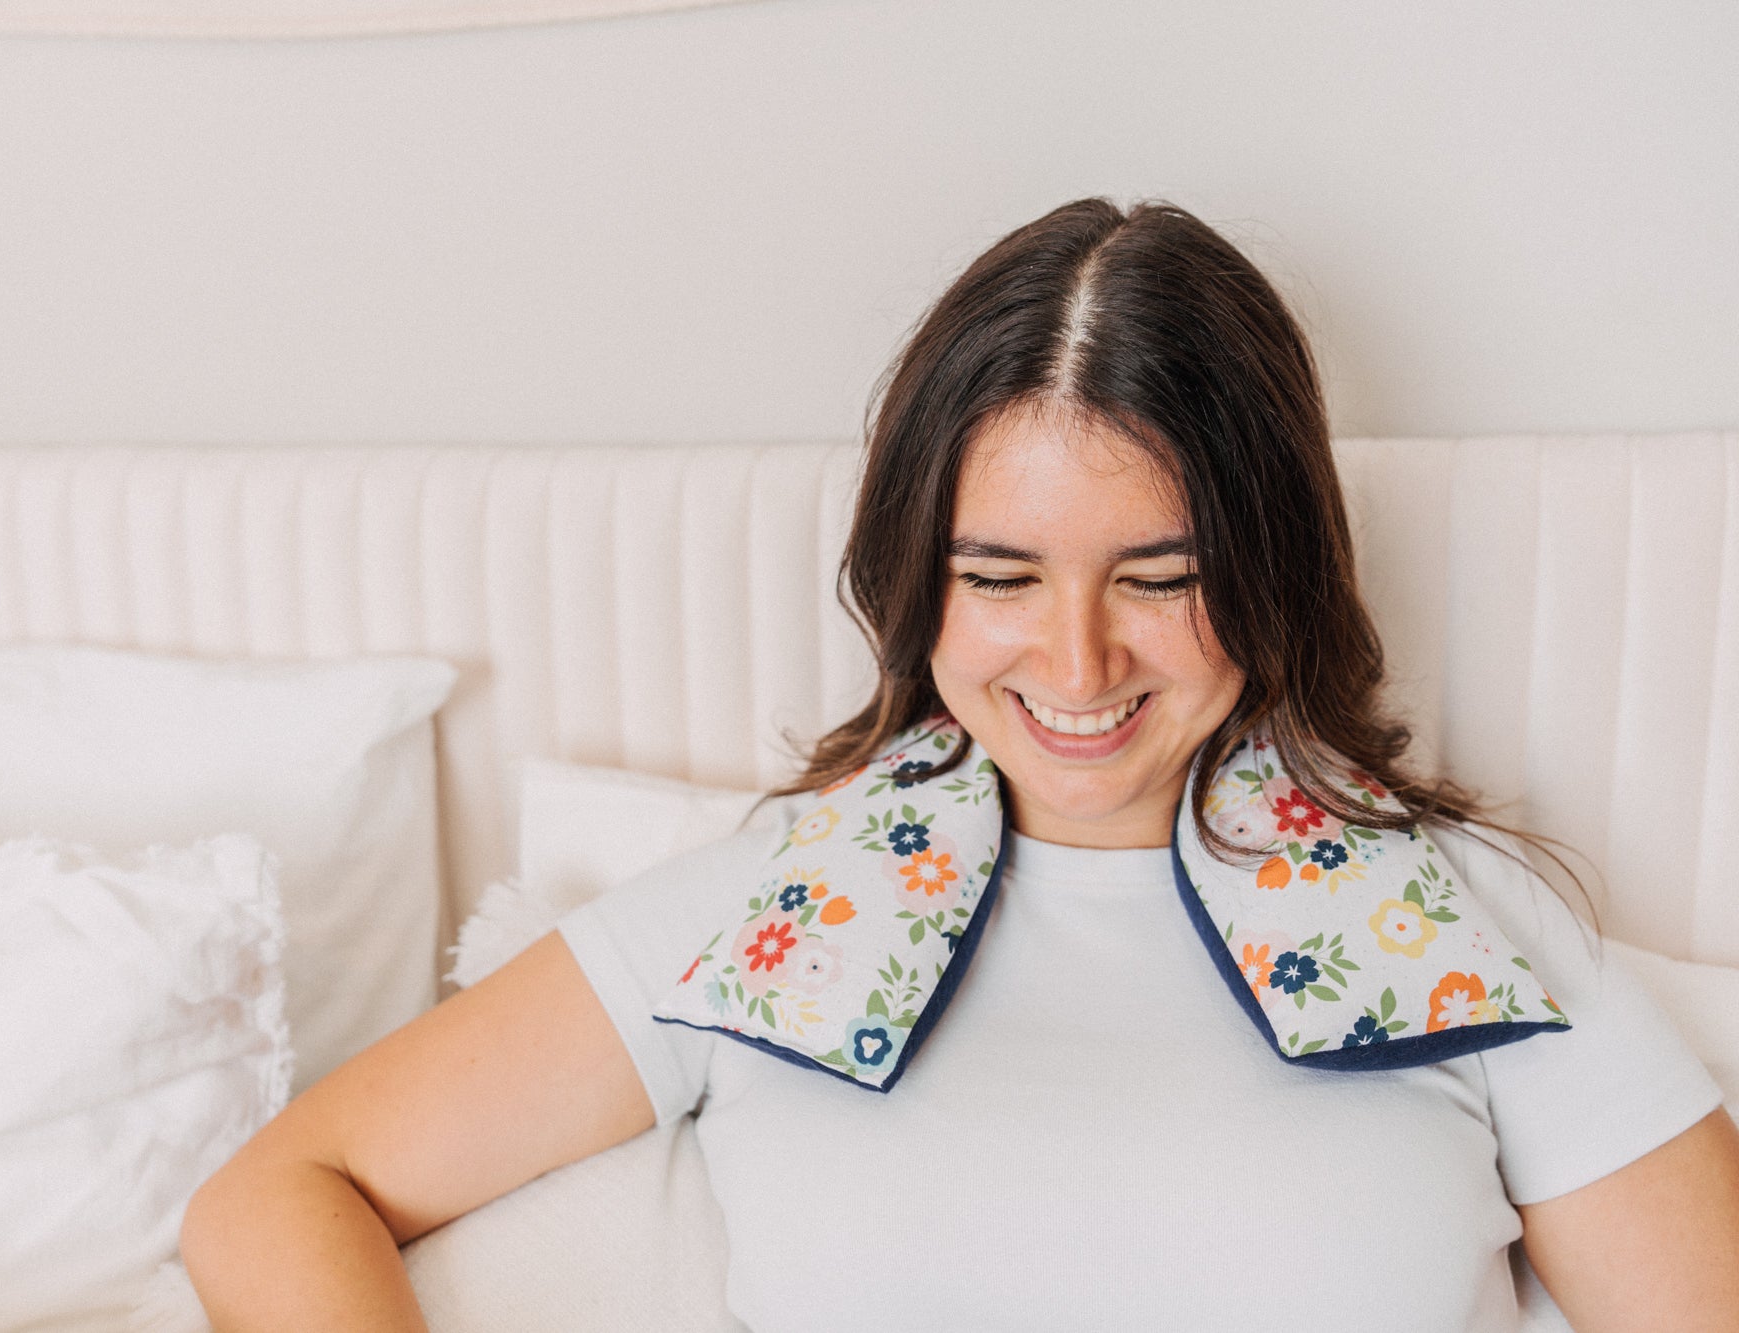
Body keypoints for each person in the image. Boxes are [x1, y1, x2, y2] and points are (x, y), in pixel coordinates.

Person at [180, 199, 1739, 1330]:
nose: (1074, 666)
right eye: (999, 577)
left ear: (1271, 568)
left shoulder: (1476, 946)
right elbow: (275, 1194)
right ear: (914, 579)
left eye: (1157, 575)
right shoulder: (764, 925)